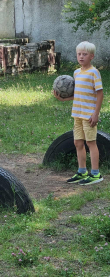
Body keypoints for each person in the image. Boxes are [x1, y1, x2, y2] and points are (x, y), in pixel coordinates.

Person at [54, 41, 104, 185]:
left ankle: (96, 174)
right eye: (79, 54)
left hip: (89, 115)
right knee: (77, 143)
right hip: (77, 114)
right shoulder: (76, 73)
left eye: (85, 54)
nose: (81, 57)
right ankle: (82, 172)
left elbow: (100, 94)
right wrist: (64, 99)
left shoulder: (94, 72)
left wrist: (95, 114)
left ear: (92, 56)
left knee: (91, 143)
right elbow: (79, 94)